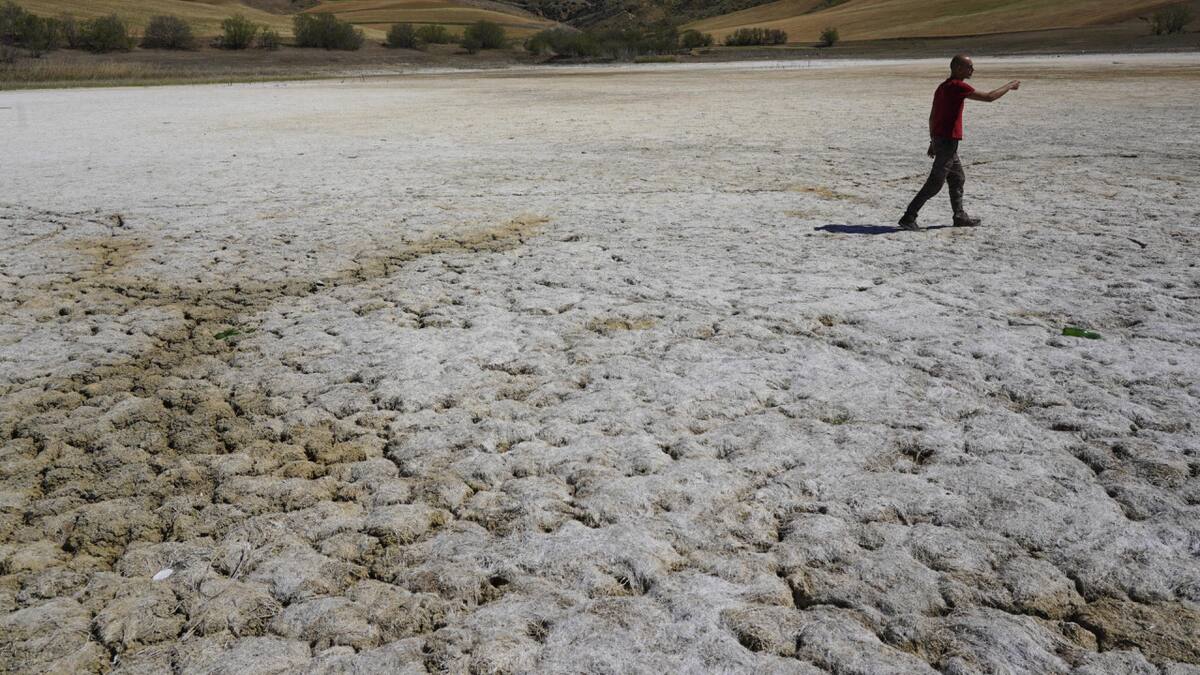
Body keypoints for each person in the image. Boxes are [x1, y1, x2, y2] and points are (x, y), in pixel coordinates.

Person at [899, 55, 1020, 230]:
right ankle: (909, 217)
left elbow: (933, 116)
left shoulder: (942, 87)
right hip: (947, 142)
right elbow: (989, 97)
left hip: (943, 141)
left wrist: (933, 141)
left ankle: (959, 216)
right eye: (969, 66)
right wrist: (1009, 86)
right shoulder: (957, 86)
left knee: (957, 178)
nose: (972, 70)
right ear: (957, 68)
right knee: (935, 183)